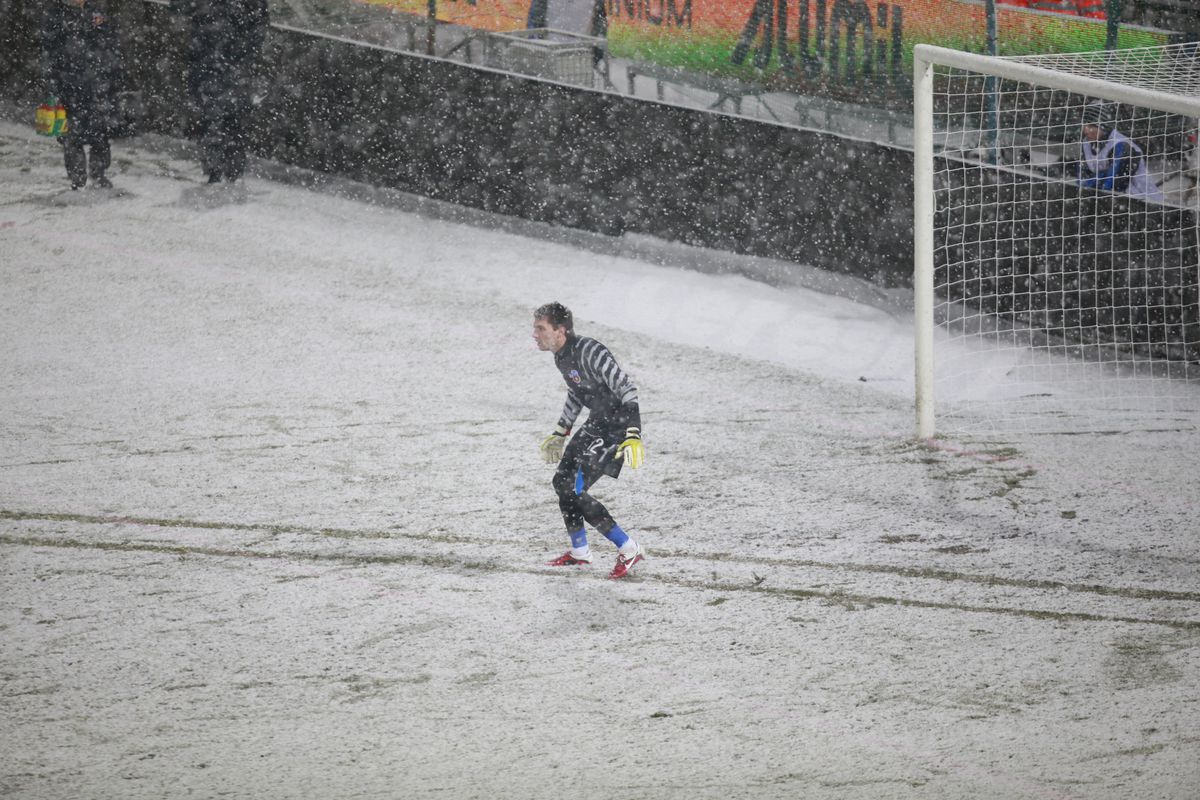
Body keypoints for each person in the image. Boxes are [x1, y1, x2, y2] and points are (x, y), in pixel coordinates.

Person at [533, 303, 646, 579]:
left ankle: (629, 548)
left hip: (615, 428)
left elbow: (627, 389)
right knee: (562, 483)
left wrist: (633, 434)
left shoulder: (590, 351)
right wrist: (562, 431)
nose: (534, 334)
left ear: (560, 330)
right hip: (597, 424)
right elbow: (577, 392)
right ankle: (580, 552)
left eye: (540, 328)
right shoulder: (561, 356)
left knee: (572, 489)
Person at [174, 0, 269, 184]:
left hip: (224, 64)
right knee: (219, 118)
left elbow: (259, 24)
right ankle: (220, 170)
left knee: (225, 118)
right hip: (212, 63)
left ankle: (224, 169)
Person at [40, 0, 125, 190]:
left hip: (96, 85)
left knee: (101, 133)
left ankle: (99, 173)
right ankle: (77, 178)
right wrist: (53, 84)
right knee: (70, 135)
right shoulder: (55, 15)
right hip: (68, 85)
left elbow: (110, 42)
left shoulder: (96, 12)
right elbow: (49, 51)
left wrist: (112, 73)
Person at [1078, 100, 1164, 203]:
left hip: (1142, 202)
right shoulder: (1087, 143)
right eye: (1085, 124)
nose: (1086, 130)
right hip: (1110, 201)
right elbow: (1082, 178)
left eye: (1092, 126)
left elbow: (1114, 184)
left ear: (1104, 125)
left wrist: (1093, 182)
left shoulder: (1122, 146)